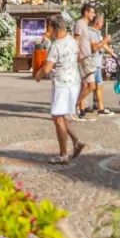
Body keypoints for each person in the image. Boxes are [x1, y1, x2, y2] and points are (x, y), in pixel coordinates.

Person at [32, 13, 86, 165]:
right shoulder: (72, 41)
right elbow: (80, 57)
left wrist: (37, 75)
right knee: (62, 115)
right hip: (74, 81)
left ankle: (63, 154)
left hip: (62, 83)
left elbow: (47, 68)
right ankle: (76, 141)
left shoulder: (56, 45)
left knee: (57, 117)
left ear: (55, 29)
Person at [72, 2, 99, 119]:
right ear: (86, 12)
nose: (94, 15)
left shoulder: (85, 25)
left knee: (87, 85)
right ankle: (74, 105)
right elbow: (76, 39)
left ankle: (79, 108)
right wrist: (76, 55)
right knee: (91, 85)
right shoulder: (80, 23)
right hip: (83, 58)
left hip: (87, 57)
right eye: (92, 12)